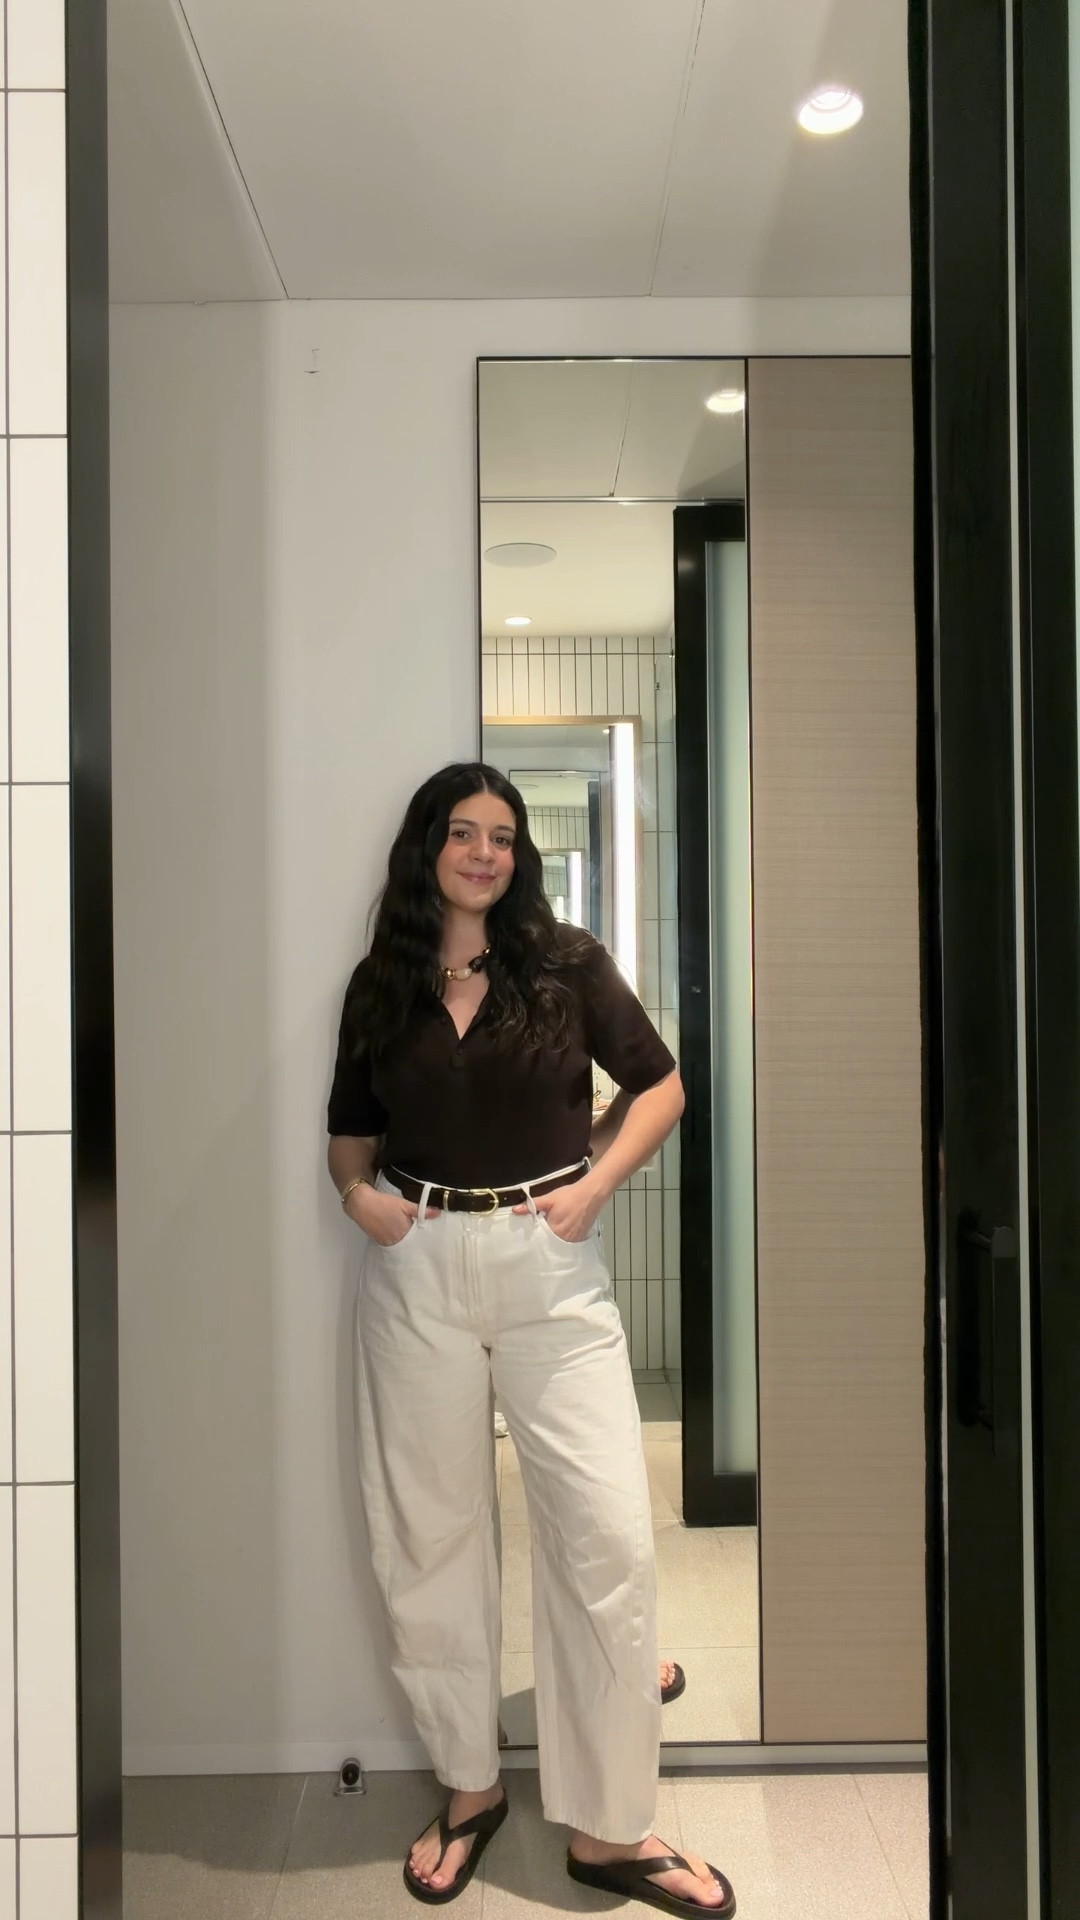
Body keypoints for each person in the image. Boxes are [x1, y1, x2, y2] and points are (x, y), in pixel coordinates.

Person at [327, 763, 735, 1915]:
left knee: (605, 1536)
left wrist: (595, 1186)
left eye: (503, 836)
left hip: (548, 1266)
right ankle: (469, 1788)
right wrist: (361, 1203)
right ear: (429, 849)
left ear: (521, 856)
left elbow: (658, 1086)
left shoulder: (565, 964)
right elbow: (348, 1140)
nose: (486, 852)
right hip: (413, 1274)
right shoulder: (382, 983)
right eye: (464, 833)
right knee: (429, 1541)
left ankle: (611, 1829)